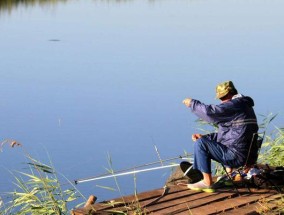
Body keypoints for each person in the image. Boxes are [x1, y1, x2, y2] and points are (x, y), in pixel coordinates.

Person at [182, 81, 258, 191]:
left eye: (223, 97)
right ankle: (229, 174)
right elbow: (231, 134)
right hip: (247, 156)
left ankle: (207, 182)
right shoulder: (244, 105)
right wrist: (205, 137)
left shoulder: (235, 104)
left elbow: (210, 113)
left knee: (200, 144)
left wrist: (192, 103)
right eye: (220, 98)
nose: (222, 101)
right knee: (203, 140)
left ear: (231, 93)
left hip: (236, 156)